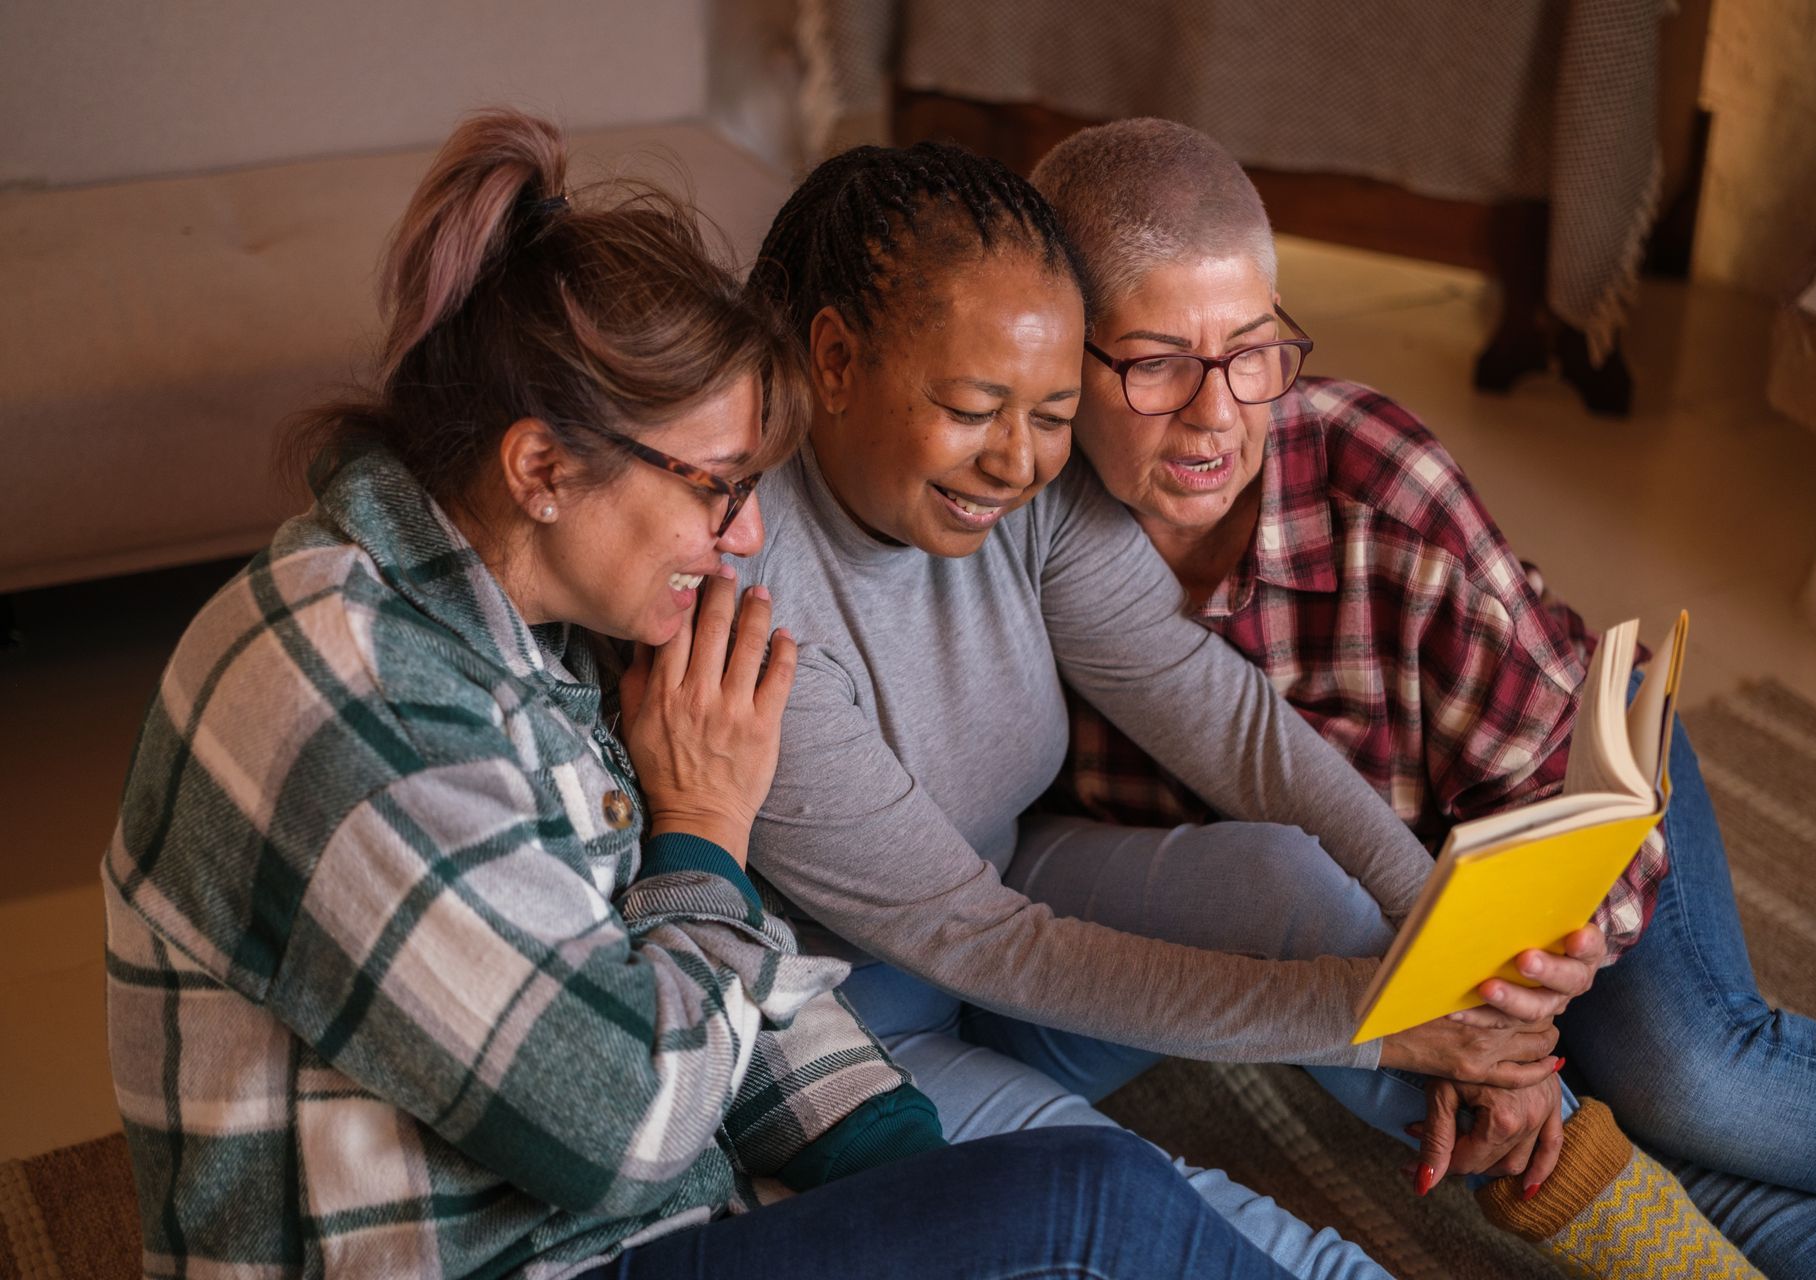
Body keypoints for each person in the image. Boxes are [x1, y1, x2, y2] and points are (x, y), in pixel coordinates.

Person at [101, 109, 1310, 1280]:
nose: (743, 538)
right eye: (718, 488)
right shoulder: (344, 692)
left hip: (672, 1212)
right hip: (561, 1239)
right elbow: (623, 1130)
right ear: (545, 469)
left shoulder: (558, 620)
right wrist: (706, 832)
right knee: (1098, 1202)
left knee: (1042, 1201)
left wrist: (919, 1177)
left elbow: (750, 976)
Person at [736, 141, 1761, 1280]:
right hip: (861, 1032)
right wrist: (1370, 1011)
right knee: (1177, 1217)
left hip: (1015, 881)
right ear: (834, 358)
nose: (1018, 461)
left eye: (1051, 411)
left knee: (1290, 874)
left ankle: (1622, 1209)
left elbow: (1225, 718)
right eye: (977, 408)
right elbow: (984, 940)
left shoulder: (1035, 477)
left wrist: (1448, 955)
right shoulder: (752, 610)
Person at [1032, 115, 1816, 1280]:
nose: (1217, 415)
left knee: (1690, 1075)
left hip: (1559, 795)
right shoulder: (1024, 543)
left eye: (1252, 350)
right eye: (1155, 361)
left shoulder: (1377, 480)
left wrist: (1561, 958)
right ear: (1058, 356)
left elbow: (1563, 779)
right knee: (1617, 1140)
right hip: (1373, 932)